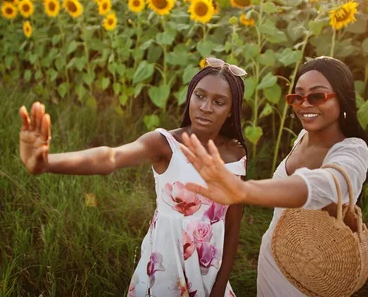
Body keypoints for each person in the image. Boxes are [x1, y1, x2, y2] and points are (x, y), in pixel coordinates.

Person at [18, 58, 248, 297]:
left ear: (231, 109)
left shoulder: (236, 153)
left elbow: (232, 224)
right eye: (199, 96)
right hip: (167, 267)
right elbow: (110, 157)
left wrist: (220, 285)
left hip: (208, 271)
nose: (205, 107)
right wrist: (46, 163)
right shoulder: (165, 145)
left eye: (218, 102)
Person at [179, 56, 368, 297]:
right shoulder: (302, 136)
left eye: (317, 96)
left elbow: (326, 184)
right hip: (273, 255)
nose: (304, 104)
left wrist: (245, 191)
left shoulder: (353, 151)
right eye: (297, 96)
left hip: (315, 270)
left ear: (342, 97)